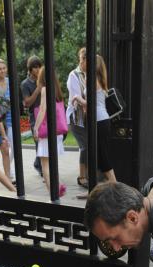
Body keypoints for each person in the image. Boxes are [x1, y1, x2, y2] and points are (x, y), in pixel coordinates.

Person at [72, 54, 116, 183]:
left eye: (88, 60)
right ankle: (94, 188)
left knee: (102, 157)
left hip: (99, 122)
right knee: (97, 157)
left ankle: (115, 185)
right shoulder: (98, 78)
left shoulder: (92, 79)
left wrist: (77, 98)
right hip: (101, 121)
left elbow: (89, 104)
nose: (84, 62)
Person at [33, 66, 67, 197]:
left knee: (45, 164)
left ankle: (53, 192)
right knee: (53, 163)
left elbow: (42, 110)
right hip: (57, 133)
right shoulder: (57, 90)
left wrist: (36, 127)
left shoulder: (45, 90)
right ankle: (58, 185)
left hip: (46, 132)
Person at [66, 47, 88, 190]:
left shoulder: (91, 73)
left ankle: (87, 175)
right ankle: (82, 177)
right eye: (82, 60)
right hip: (77, 118)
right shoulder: (73, 75)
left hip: (87, 117)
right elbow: (76, 97)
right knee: (85, 146)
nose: (83, 63)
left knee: (86, 146)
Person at [20, 55, 43, 177]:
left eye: (39, 66)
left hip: (45, 113)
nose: (38, 69)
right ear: (30, 69)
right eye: (35, 67)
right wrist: (38, 89)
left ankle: (38, 163)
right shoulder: (25, 84)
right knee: (39, 141)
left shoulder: (44, 79)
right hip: (34, 115)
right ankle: (41, 167)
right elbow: (27, 102)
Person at [0, 58, 13, 182]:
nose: (2, 71)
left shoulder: (10, 82)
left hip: (8, 120)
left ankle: (7, 176)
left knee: (6, 149)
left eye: (4, 68)